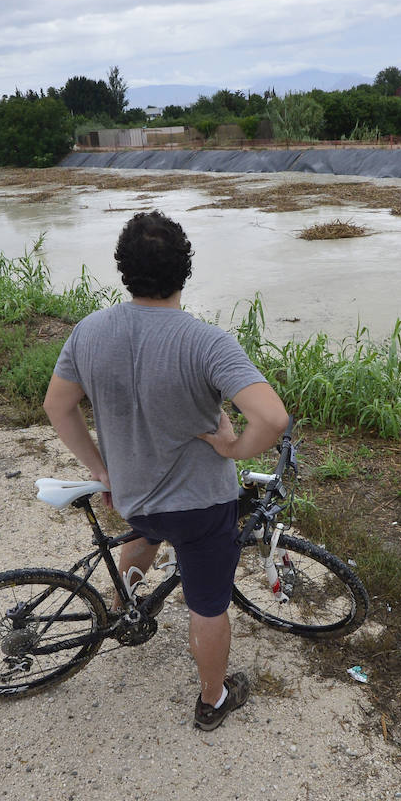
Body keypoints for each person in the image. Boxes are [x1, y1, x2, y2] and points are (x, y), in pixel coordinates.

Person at [42, 210, 289, 731]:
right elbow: (272, 418)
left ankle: (122, 610)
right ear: (186, 269)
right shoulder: (206, 342)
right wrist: (234, 449)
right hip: (199, 507)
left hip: (132, 494)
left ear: (124, 269)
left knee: (146, 534)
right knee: (207, 605)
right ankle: (213, 699)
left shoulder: (90, 331)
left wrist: (101, 470)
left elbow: (57, 406)